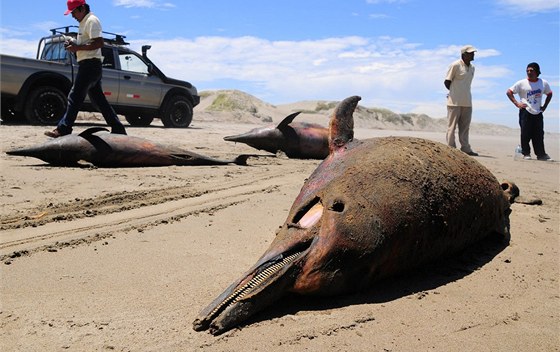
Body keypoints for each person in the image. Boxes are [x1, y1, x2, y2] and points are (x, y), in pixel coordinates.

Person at [45, 0, 126, 138]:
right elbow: (87, 43)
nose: (72, 16)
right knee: (99, 101)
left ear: (82, 8)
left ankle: (63, 129)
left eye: (73, 12)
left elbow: (99, 42)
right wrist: (73, 43)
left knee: (74, 96)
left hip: (90, 65)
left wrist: (77, 47)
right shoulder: (84, 23)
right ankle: (118, 129)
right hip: (90, 65)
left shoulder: (92, 21)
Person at [506, 63, 553, 161]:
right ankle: (526, 153)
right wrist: (517, 104)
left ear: (537, 71)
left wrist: (544, 106)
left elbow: (549, 93)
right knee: (525, 133)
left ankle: (541, 154)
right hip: (525, 111)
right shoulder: (521, 83)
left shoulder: (543, 83)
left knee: (539, 134)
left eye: (531, 70)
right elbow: (509, 92)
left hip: (538, 112)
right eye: (527, 70)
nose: (529, 72)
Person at [444, 45, 478, 156]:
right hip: (454, 102)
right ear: (464, 54)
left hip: (467, 102)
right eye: (470, 53)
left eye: (473, 53)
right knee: (452, 127)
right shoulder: (455, 65)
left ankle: (465, 148)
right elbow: (447, 81)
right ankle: (451, 148)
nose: (473, 55)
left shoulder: (472, 68)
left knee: (465, 128)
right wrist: (453, 92)